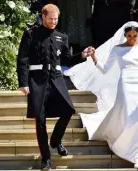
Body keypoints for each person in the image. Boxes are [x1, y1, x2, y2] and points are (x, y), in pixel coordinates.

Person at [64, 21, 138, 169]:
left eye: (135, 36)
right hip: (125, 84)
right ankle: (132, 151)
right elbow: (105, 69)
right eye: (129, 36)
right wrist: (94, 59)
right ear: (125, 35)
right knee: (127, 111)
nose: (132, 38)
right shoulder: (117, 49)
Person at [16, 4, 89, 170]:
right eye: (50, 19)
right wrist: (23, 82)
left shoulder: (61, 36)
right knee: (39, 119)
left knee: (68, 110)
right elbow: (22, 59)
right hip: (37, 80)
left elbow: (67, 59)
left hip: (56, 79)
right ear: (43, 16)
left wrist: (82, 55)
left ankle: (55, 141)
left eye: (56, 19)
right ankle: (46, 158)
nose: (53, 22)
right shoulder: (30, 34)